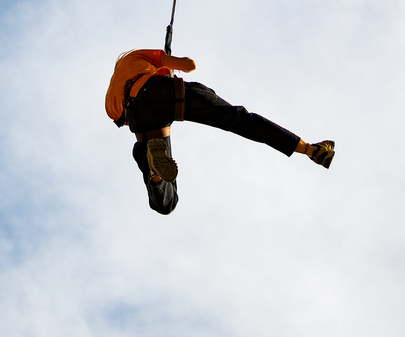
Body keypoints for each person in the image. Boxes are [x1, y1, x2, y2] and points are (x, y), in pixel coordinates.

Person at [105, 49, 335, 214]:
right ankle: (309, 149)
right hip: (166, 93)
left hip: (141, 119)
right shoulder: (136, 56)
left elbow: (121, 118)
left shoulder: (109, 100)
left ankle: (155, 176)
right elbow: (189, 65)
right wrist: (168, 65)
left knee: (167, 204)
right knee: (237, 119)